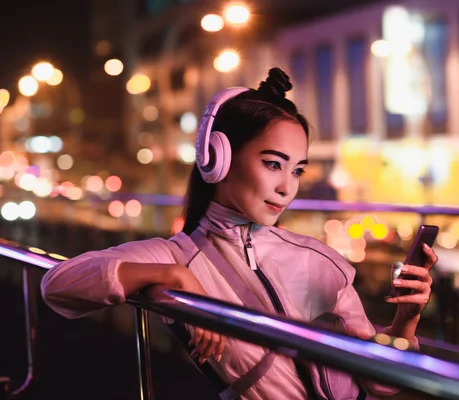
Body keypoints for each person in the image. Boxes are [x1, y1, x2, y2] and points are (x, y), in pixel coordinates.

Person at [41, 68, 438, 400]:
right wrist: (172, 276)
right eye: (272, 164)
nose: (287, 187)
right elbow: (57, 284)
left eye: (296, 170)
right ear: (218, 157)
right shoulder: (176, 256)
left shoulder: (320, 258)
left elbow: (378, 383)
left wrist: (404, 322)